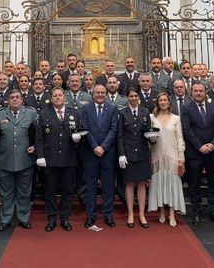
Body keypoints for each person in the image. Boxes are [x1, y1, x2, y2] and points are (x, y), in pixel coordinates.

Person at [35, 87, 83, 232]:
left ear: (64, 97)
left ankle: (65, 218)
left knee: (68, 191)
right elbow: (39, 139)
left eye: (60, 95)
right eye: (55, 95)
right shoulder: (44, 114)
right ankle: (51, 218)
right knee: (50, 191)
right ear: (51, 98)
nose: (57, 97)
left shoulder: (74, 113)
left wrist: (78, 139)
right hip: (50, 160)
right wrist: (40, 156)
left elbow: (81, 135)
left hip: (69, 160)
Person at [181, 83, 214, 227]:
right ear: (191, 93)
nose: (198, 93)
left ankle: (213, 212)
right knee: (194, 184)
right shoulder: (186, 109)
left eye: (201, 91)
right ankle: (196, 212)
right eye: (196, 91)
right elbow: (187, 130)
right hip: (195, 152)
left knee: (213, 183)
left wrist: (212, 144)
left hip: (212, 151)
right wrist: (199, 146)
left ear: (205, 92)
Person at [0, 91, 38, 231]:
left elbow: (39, 133)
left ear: (22, 100)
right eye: (12, 98)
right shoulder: (0, 114)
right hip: (4, 159)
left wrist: (35, 146)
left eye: (17, 98)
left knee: (24, 192)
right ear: (8, 100)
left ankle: (23, 218)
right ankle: (6, 219)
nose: (15, 100)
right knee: (6, 193)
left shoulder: (31, 114)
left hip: (25, 159)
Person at [81, 84, 118, 228]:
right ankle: (91, 216)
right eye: (97, 93)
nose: (100, 95)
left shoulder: (112, 108)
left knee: (108, 186)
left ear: (106, 94)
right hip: (90, 153)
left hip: (108, 153)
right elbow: (85, 128)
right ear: (93, 94)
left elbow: (114, 129)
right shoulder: (85, 108)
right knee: (90, 186)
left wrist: (103, 147)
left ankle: (108, 215)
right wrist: (95, 146)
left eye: (103, 93)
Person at [148, 92, 186, 227]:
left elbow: (180, 139)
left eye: (165, 100)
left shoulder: (176, 118)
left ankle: (171, 212)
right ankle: (162, 211)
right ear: (157, 103)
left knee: (172, 185)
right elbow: (148, 138)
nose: (163, 102)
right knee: (159, 184)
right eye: (160, 100)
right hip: (157, 156)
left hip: (173, 156)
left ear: (169, 103)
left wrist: (181, 157)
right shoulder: (152, 118)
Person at [117, 89, 151, 228]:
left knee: (142, 183)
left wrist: (153, 139)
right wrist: (121, 154)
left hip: (142, 153)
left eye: (136, 96)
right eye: (131, 96)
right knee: (130, 184)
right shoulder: (123, 113)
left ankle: (141, 214)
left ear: (139, 97)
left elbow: (149, 132)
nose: (133, 98)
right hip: (128, 153)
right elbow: (119, 135)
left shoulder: (144, 112)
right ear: (127, 98)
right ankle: (131, 213)